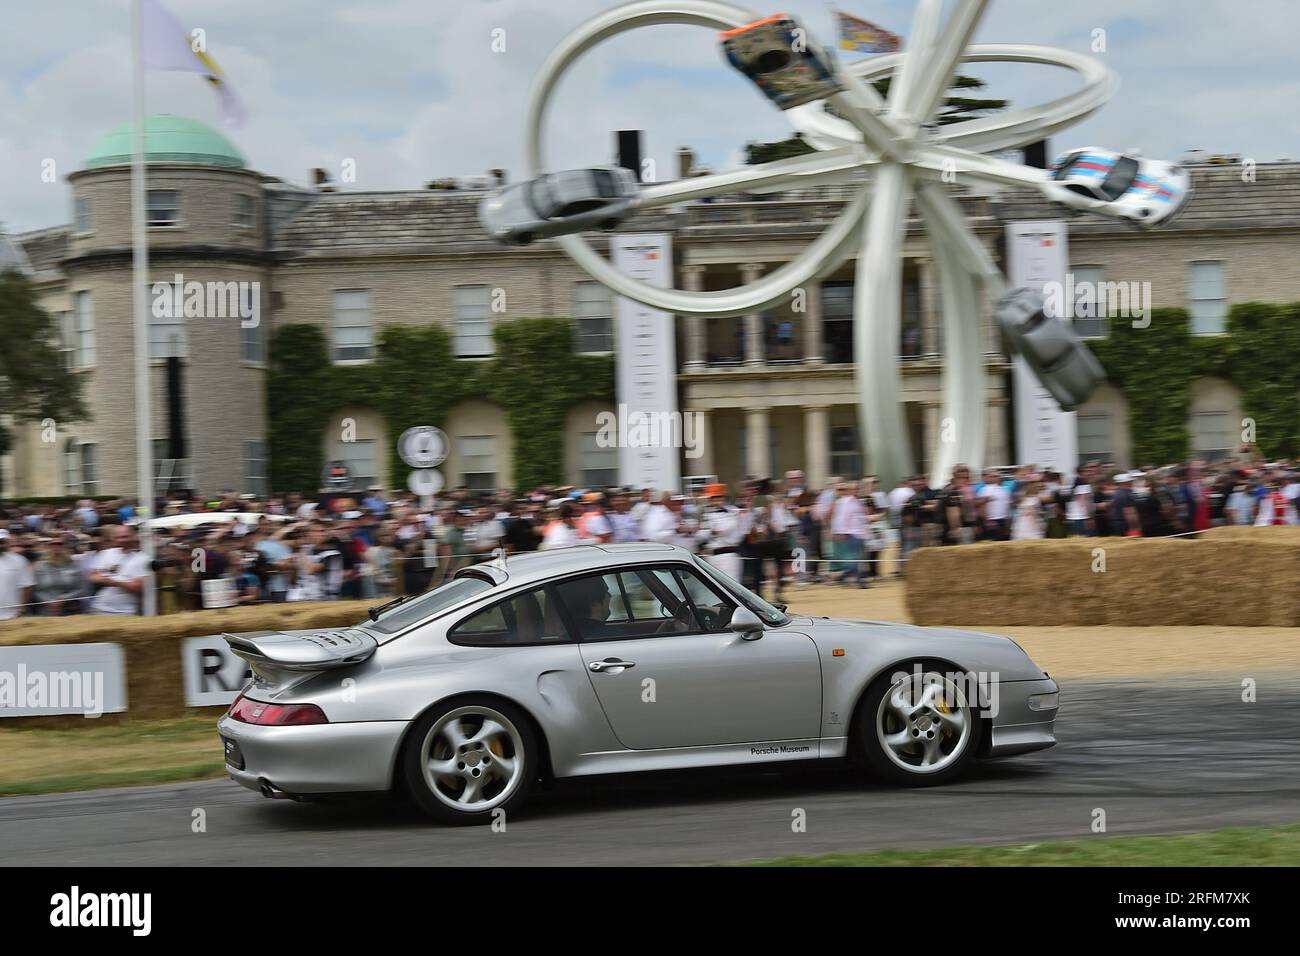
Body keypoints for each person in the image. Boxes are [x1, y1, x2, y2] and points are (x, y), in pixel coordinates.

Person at [88, 525, 152, 615]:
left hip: (125, 611)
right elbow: (92, 575)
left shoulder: (143, 558)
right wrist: (101, 579)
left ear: (133, 536)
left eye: (125, 536)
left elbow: (140, 586)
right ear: (113, 538)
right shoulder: (106, 553)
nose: (123, 540)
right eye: (119, 537)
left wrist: (114, 582)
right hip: (99, 607)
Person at [33, 537, 87, 615]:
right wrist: (49, 602)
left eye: (60, 544)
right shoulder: (39, 566)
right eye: (53, 544)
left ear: (65, 547)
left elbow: (82, 589)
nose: (57, 547)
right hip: (45, 610)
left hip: (69, 610)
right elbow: (35, 590)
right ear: (49, 547)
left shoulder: (74, 565)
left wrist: (64, 599)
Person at [0, 530, 36, 619]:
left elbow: (27, 587)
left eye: (3, 542)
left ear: (8, 542)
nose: (1, 544)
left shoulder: (19, 560)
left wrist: (22, 610)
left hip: (11, 615)